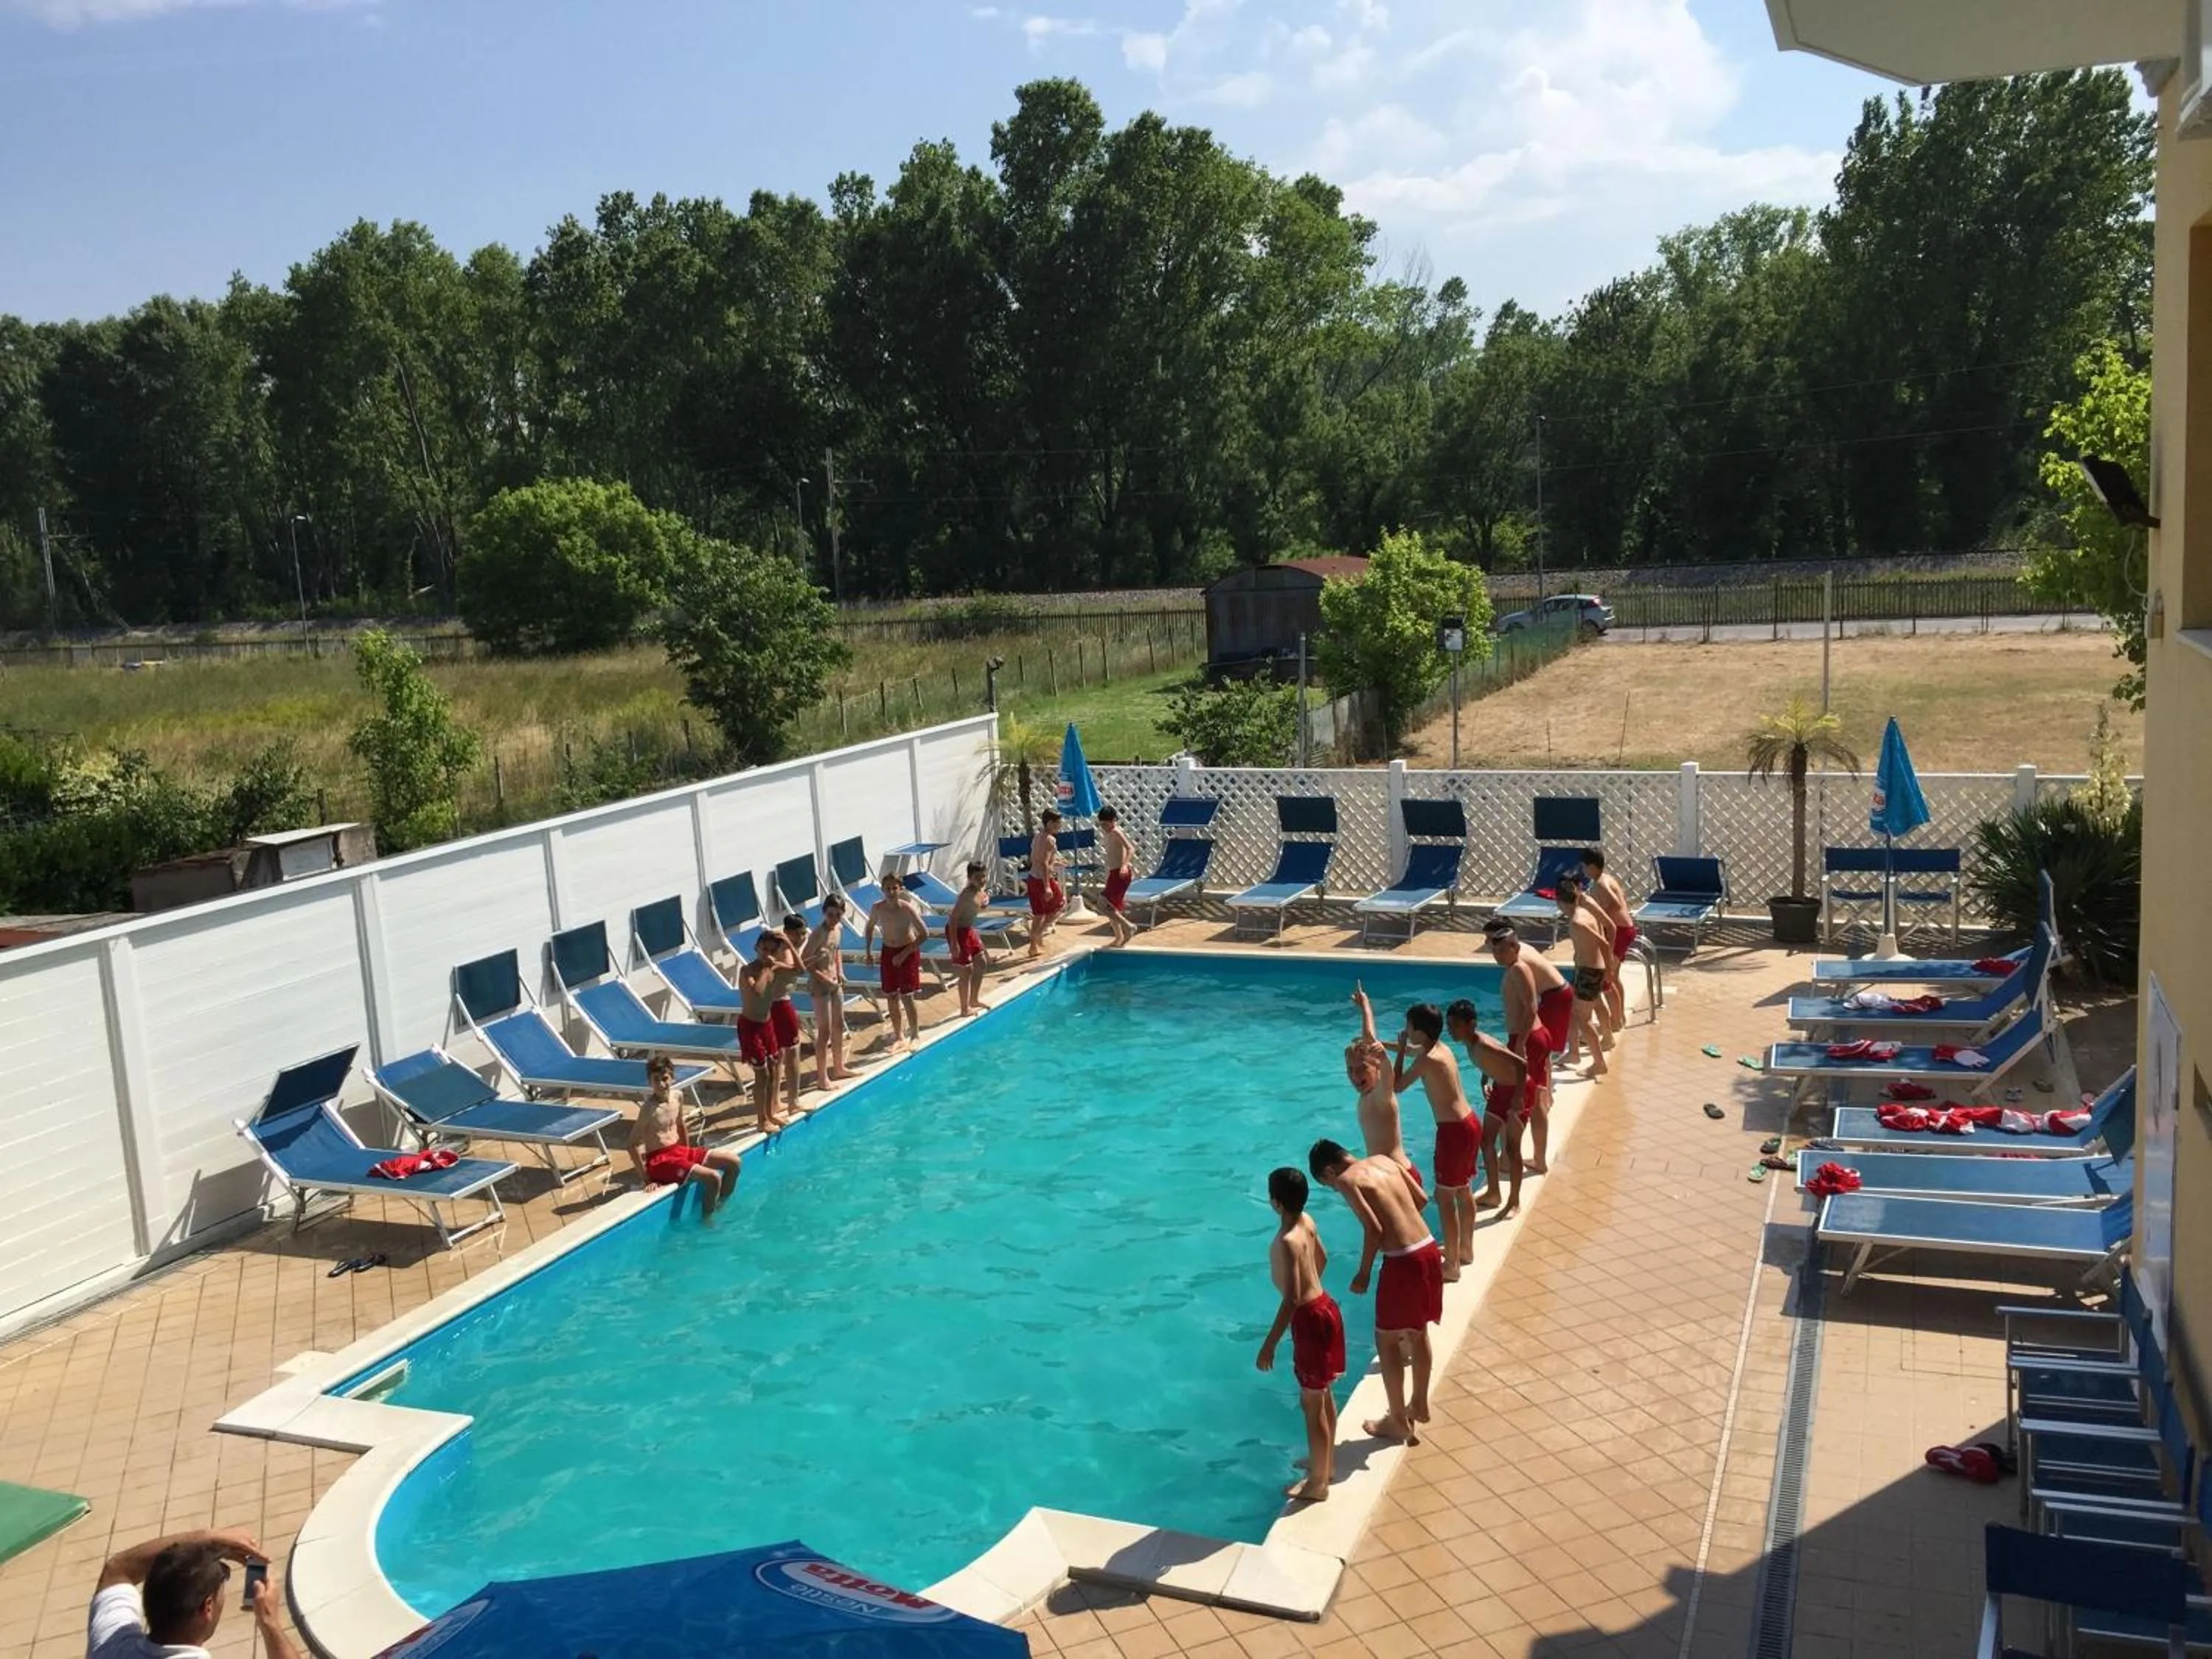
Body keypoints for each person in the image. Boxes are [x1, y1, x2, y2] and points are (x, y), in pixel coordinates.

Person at [1308, 1138, 1441, 1444]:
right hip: (1429, 1248)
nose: (1333, 1187)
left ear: (1329, 1171)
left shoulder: (1346, 1180)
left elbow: (1374, 1229)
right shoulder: (1384, 1159)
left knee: (1387, 1339)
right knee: (1418, 1331)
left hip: (1403, 1260)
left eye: (1327, 1184)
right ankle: (1418, 1402)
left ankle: (1397, 1420)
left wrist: (1364, 1272)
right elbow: (1421, 1198)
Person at [1255, 1166, 1343, 1504]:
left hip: (1308, 1318)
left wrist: (1270, 1344)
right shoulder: (1306, 1222)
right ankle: (1326, 1464)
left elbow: (1291, 1299)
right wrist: (1312, 1288)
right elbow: (1322, 1259)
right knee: (1324, 1395)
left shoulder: (1288, 1241)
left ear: (1276, 1203)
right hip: (1325, 1307)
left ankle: (1318, 1483)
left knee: (1311, 1404)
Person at [89, 1526, 299, 1659]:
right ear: (207, 1607)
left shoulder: (111, 1647)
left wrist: (206, 1539)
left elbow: (118, 1570)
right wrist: (270, 1622)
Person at [1393, 1002, 1478, 1280]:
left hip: (1453, 1132)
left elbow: (1398, 1085)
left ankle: (1451, 1265)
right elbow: (1414, 1051)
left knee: (1444, 1197)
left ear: (1418, 1031)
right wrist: (1381, 1045)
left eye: (1408, 1027)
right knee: (1463, 1191)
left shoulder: (1427, 1060)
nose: (1406, 1031)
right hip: (1469, 1124)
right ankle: (1465, 1250)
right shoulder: (1440, 1049)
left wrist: (1399, 1053)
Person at [1484, 919, 1572, 1176]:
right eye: (1495, 950)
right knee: (1538, 1097)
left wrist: (1519, 1045)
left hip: (1527, 1039)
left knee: (1514, 1101)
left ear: (1515, 947)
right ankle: (1538, 1159)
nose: (1497, 956)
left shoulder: (1518, 970)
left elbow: (1531, 1007)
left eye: (1503, 950)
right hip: (1536, 1035)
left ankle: (1507, 1160)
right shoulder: (1517, 967)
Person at [1447, 998, 1531, 1219]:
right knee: (1486, 1142)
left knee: (1513, 1149)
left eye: (1455, 1025)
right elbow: (1489, 1063)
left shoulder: (1483, 1043)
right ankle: (1494, 1192)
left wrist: (1519, 1100)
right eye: (1449, 1025)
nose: (1450, 1030)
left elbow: (1521, 1065)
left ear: (1470, 1024)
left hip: (1517, 1092)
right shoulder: (1471, 1043)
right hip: (1500, 1091)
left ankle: (1514, 1201)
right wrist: (1485, 1081)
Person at [629, 1055, 741, 1219]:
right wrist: (647, 1179)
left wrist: (688, 1154)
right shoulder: (648, 1109)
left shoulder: (678, 1096)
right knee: (713, 1178)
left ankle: (720, 1206)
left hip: (680, 1151)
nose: (661, 1084)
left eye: (665, 1078)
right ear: (649, 1082)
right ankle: (707, 1221)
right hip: (661, 1160)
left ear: (673, 1077)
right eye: (656, 1080)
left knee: (734, 1163)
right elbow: (631, 1145)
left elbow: (681, 1125)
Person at [1348, 982, 1426, 1208]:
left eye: (1362, 1069)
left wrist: (1383, 1058)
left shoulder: (1382, 1096)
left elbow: (1387, 1074)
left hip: (1401, 1177)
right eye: (1350, 1070)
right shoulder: (1369, 1094)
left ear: (1377, 1070)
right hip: (1387, 1177)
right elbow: (1370, 1038)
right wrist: (1365, 1007)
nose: (1355, 1076)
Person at [1553, 874, 1615, 1079]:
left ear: (1560, 902)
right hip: (1587, 971)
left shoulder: (1578, 922)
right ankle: (1574, 1053)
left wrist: (1609, 972)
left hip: (1589, 973)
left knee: (1583, 1019)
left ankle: (1599, 1063)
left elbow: (1604, 944)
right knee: (1576, 1011)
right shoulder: (1584, 912)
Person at [736, 934, 794, 1134]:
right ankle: (761, 1120)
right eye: (764, 949)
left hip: (767, 1024)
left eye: (771, 950)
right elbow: (758, 991)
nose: (767, 954)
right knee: (763, 1074)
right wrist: (768, 968)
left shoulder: (774, 966)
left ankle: (769, 1115)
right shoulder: (747, 971)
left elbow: (800, 970)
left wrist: (788, 946)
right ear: (756, 947)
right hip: (750, 1026)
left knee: (772, 1071)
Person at [863, 876, 930, 1048]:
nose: (891, 892)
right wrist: (869, 952)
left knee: (907, 996)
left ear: (901, 889)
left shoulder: (907, 909)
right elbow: (869, 928)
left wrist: (904, 954)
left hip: (907, 952)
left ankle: (914, 1034)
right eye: (888, 889)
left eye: (895, 888)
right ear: (883, 890)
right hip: (888, 952)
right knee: (891, 995)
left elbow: (924, 934)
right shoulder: (877, 908)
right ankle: (899, 1035)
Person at [802, 897, 860, 1088]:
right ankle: (822, 1078)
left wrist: (840, 971)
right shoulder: (818, 934)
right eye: (830, 915)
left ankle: (838, 1068)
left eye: (838, 915)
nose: (834, 919)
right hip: (820, 987)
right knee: (824, 1031)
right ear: (824, 913)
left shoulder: (839, 929)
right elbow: (805, 962)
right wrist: (824, 978)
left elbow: (837, 951)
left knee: (838, 1025)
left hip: (835, 983)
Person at [1580, 846, 1635, 1038]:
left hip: (1619, 932)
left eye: (1585, 867)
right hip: (1626, 929)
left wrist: (1602, 909)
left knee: (1608, 978)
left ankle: (1616, 1021)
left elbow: (1616, 902)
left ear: (1593, 866)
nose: (1584, 871)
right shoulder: (1607, 878)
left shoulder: (1601, 884)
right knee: (1613, 976)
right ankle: (1618, 1018)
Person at [945, 860, 995, 1018]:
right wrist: (954, 945)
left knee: (981, 962)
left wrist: (985, 903)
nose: (982, 880)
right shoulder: (966, 895)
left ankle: (974, 999)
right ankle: (964, 1009)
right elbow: (953, 919)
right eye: (978, 877)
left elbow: (981, 904)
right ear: (969, 877)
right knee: (966, 971)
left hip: (968, 929)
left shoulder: (981, 890)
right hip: (957, 931)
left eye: (984, 876)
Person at [773, 914, 813, 1112]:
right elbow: (800, 970)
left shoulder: (785, 947)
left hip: (777, 1005)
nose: (802, 938)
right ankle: (794, 1101)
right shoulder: (783, 949)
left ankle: (775, 1101)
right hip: (780, 1005)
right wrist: (789, 944)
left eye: (804, 933)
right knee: (793, 1052)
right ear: (788, 933)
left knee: (779, 1055)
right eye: (798, 935)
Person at [1026, 809, 1066, 959]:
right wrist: (1048, 886)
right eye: (1057, 823)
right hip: (1043, 880)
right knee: (1060, 905)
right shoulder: (1050, 840)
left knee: (1039, 914)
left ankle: (1033, 947)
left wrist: (1055, 862)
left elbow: (1034, 859)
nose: (1059, 826)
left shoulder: (1037, 837)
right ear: (1049, 823)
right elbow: (1043, 863)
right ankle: (1038, 935)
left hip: (1032, 878)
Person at [1097, 804, 1135, 947]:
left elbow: (1130, 848)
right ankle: (1119, 937)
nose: (1104, 827)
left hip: (1120, 874)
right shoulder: (1109, 833)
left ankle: (1129, 926)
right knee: (1111, 907)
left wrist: (1124, 865)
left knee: (1102, 904)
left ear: (1114, 820)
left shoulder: (1116, 832)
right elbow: (1120, 850)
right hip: (1114, 873)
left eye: (1106, 824)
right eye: (1101, 825)